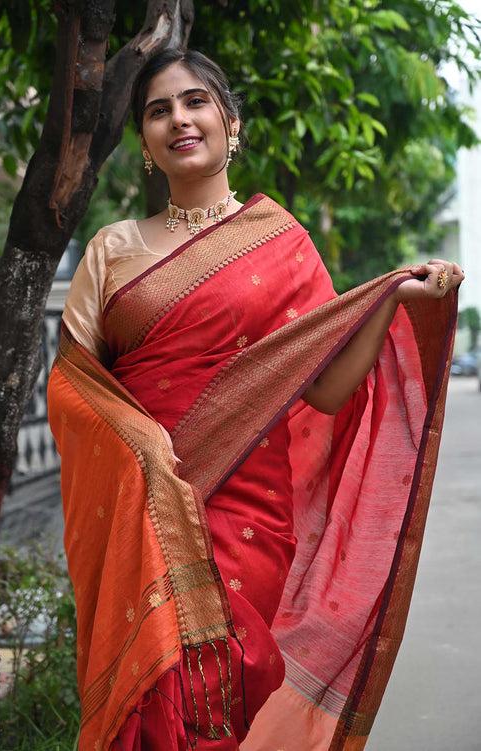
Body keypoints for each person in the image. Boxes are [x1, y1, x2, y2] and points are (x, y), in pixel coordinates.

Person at [47, 48, 463, 751]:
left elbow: (328, 390)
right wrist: (144, 450)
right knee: (151, 701)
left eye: (194, 102)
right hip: (138, 516)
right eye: (157, 110)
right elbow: (72, 383)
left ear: (228, 122)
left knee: (223, 690)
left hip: (248, 519)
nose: (178, 118)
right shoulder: (112, 249)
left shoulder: (283, 244)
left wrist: (392, 296)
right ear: (145, 143)